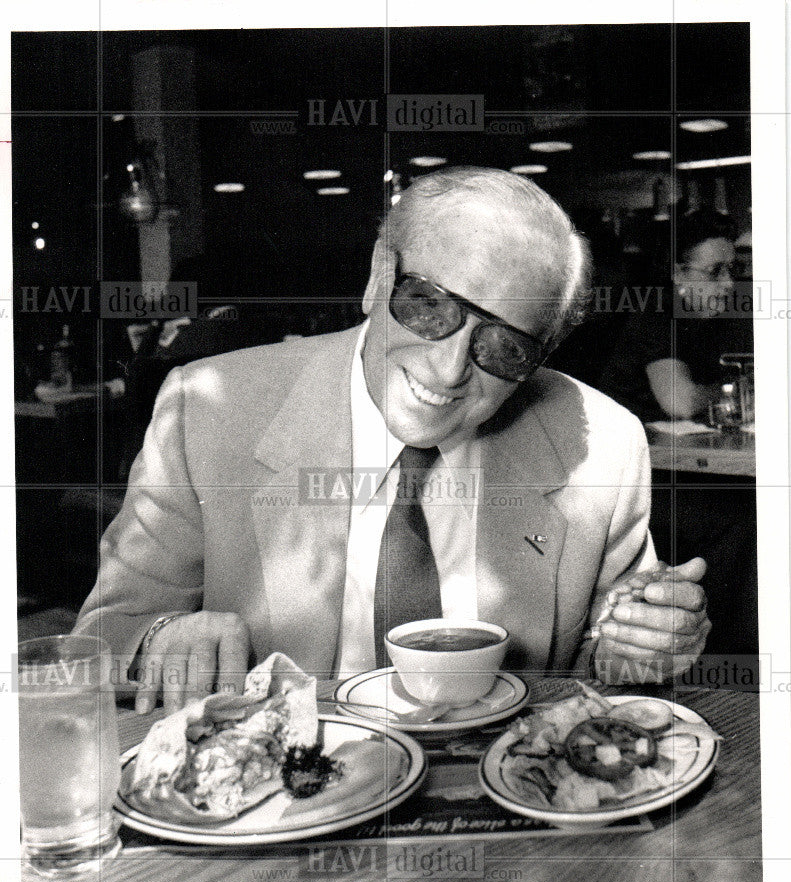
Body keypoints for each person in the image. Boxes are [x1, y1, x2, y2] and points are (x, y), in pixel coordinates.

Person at [73, 167, 711, 714]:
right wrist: (162, 638)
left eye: (506, 346)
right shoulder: (209, 410)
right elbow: (99, 641)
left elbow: (611, 660)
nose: (450, 369)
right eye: (430, 307)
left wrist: (646, 646)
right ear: (381, 276)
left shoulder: (604, 446)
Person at [599, 209, 752, 423]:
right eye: (715, 271)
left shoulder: (719, 314)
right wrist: (742, 390)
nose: (729, 283)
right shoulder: (656, 315)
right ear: (678, 274)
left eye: (732, 269)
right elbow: (681, 403)